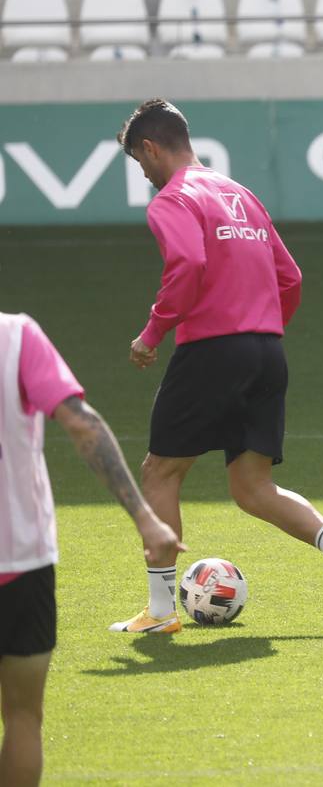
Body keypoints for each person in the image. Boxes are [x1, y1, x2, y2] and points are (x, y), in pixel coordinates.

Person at [110, 98, 323, 634]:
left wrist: (152, 332)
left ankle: (162, 611)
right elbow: (292, 279)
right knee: (252, 487)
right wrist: (261, 329)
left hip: (212, 349)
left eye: (141, 165)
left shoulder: (172, 199)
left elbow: (187, 263)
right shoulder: (240, 194)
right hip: (265, 350)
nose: (144, 175)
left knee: (160, 472)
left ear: (150, 147)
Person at [1, 312, 182, 787]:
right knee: (22, 717)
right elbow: (83, 426)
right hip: (19, 562)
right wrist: (146, 518)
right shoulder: (16, 335)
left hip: (23, 561)